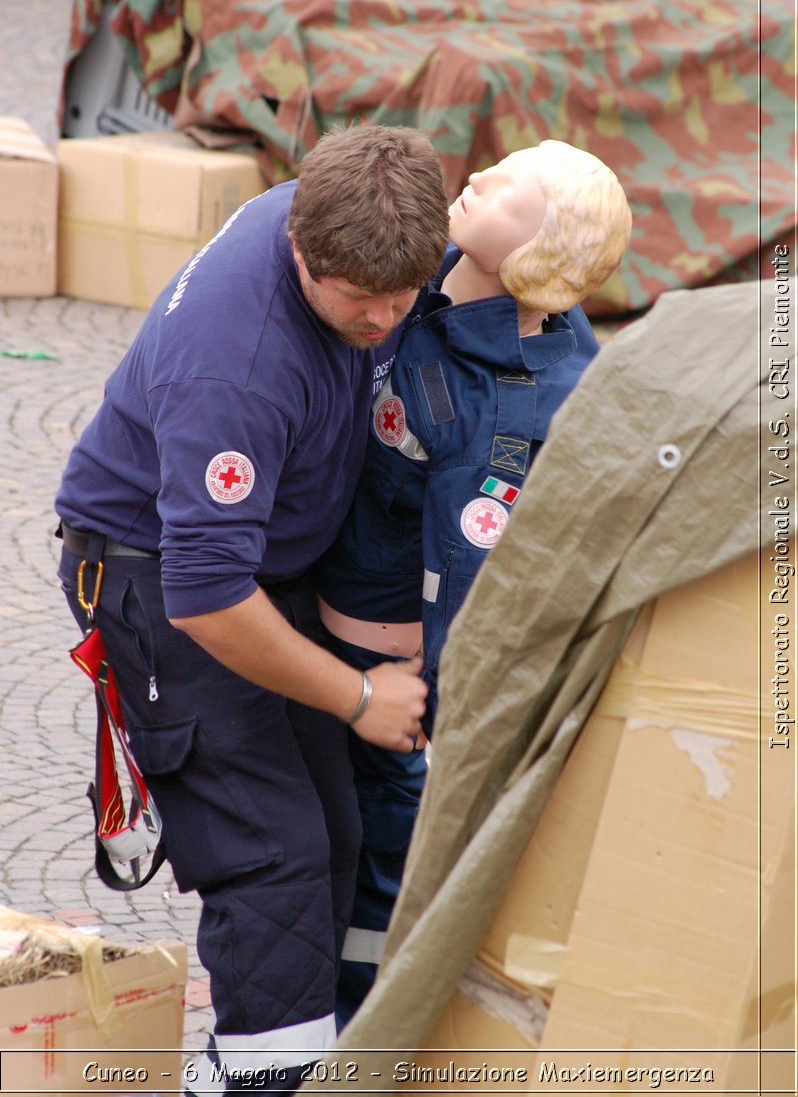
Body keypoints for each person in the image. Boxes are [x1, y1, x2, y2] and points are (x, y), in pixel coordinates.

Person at [54, 123, 450, 1095]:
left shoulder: (358, 214)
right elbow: (208, 599)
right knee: (267, 851)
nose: (386, 321)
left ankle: (299, 1061)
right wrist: (358, 696)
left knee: (337, 829)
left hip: (256, 565)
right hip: (160, 581)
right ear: (302, 254)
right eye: (362, 304)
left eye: (404, 299)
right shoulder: (236, 368)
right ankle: (258, 1084)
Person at [315, 140, 633, 1022]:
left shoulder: (509, 403)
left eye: (507, 192)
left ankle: (361, 1034)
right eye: (499, 167)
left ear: (534, 255)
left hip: (387, 672)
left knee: (374, 866)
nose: (480, 176)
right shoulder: (438, 271)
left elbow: (468, 565)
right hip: (323, 617)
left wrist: (429, 718)